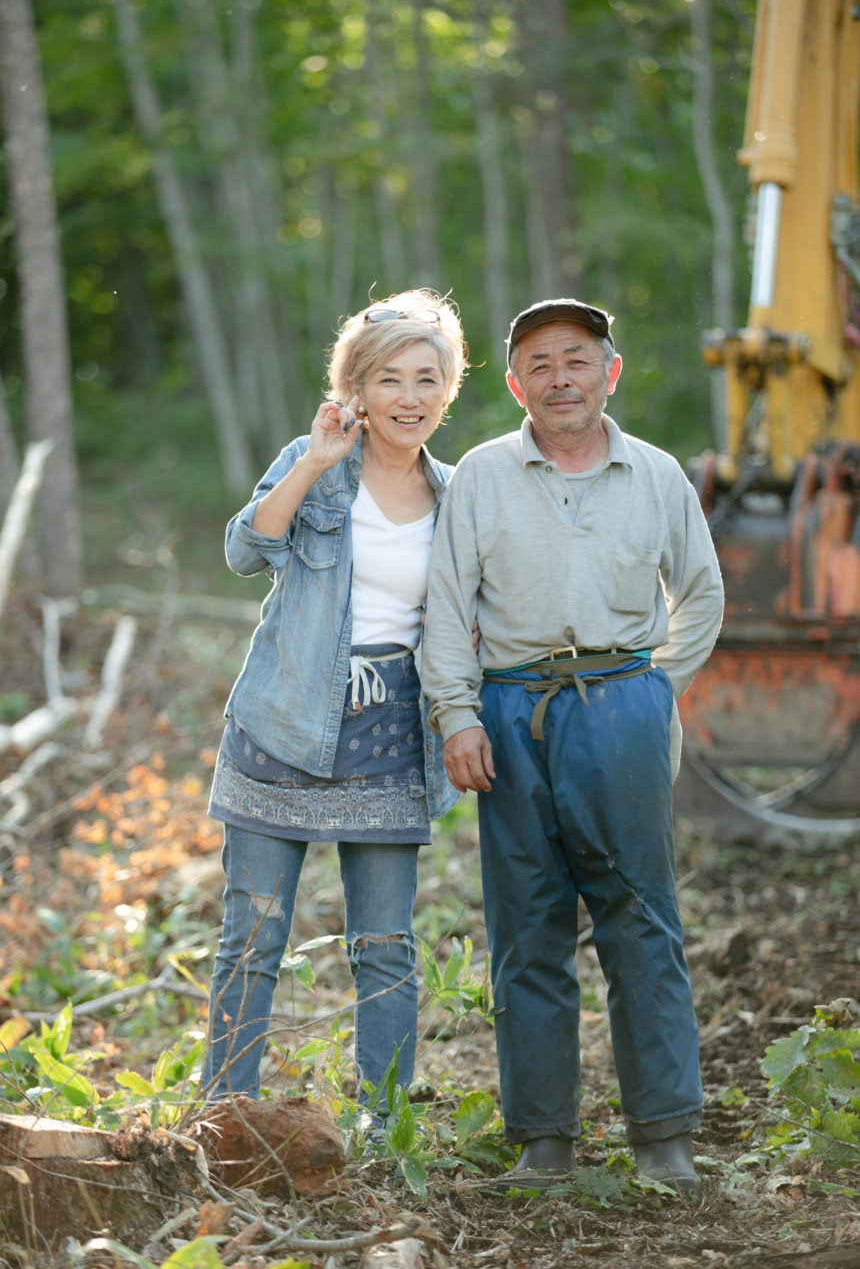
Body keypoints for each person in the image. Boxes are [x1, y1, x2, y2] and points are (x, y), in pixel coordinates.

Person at [422, 298, 724, 1194]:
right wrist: (456, 715)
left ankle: (665, 1137)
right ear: (517, 383)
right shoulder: (481, 474)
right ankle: (543, 1143)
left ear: (609, 372)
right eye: (541, 363)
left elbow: (700, 594)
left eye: (578, 359)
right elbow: (447, 605)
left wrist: (651, 692)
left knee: (641, 918)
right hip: (511, 709)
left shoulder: (658, 474)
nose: (561, 377)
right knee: (527, 928)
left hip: (623, 698)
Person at [202, 289, 466, 1111]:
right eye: (391, 379)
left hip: (391, 730)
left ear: (448, 390)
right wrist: (314, 461)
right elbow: (246, 551)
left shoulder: (458, 494)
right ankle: (225, 1114)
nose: (410, 398)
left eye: (428, 379)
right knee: (252, 935)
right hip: (284, 719)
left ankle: (385, 1127)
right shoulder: (312, 462)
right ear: (356, 386)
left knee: (385, 944)